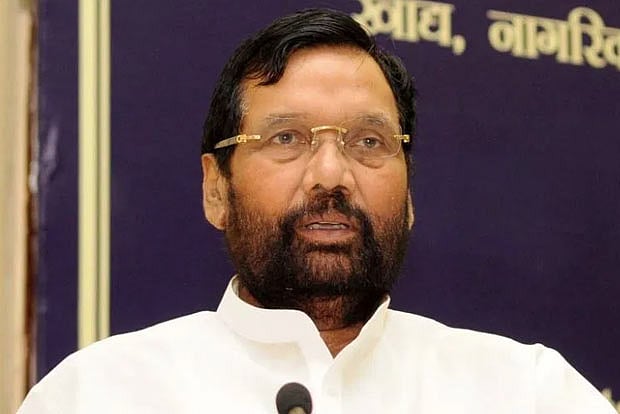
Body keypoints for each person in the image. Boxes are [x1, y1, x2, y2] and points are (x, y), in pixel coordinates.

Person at [18, 8, 615, 414]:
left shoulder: (528, 393)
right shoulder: (97, 395)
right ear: (215, 189)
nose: (331, 175)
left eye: (369, 142)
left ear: (409, 194)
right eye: (287, 138)